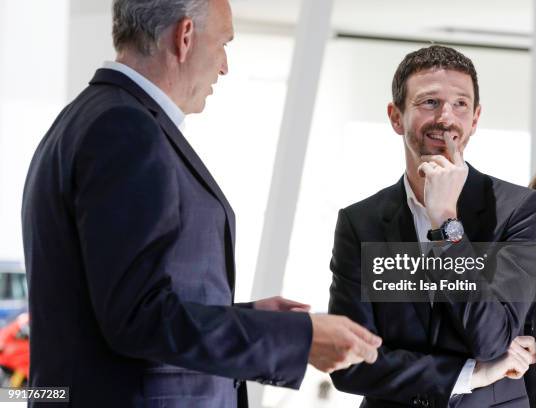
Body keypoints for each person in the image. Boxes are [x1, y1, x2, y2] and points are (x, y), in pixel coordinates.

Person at [21, 0, 382, 406]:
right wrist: (300, 339)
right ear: (185, 36)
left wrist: (250, 318)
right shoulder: (125, 129)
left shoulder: (92, 119)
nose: (224, 65)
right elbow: (140, 318)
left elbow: (120, 306)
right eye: (224, 43)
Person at [328, 45, 536, 407]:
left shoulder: (520, 210)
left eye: (460, 104)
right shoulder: (359, 222)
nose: (446, 117)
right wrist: (469, 374)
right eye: (429, 102)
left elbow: (490, 338)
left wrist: (446, 223)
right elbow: (349, 364)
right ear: (396, 117)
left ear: (475, 119)